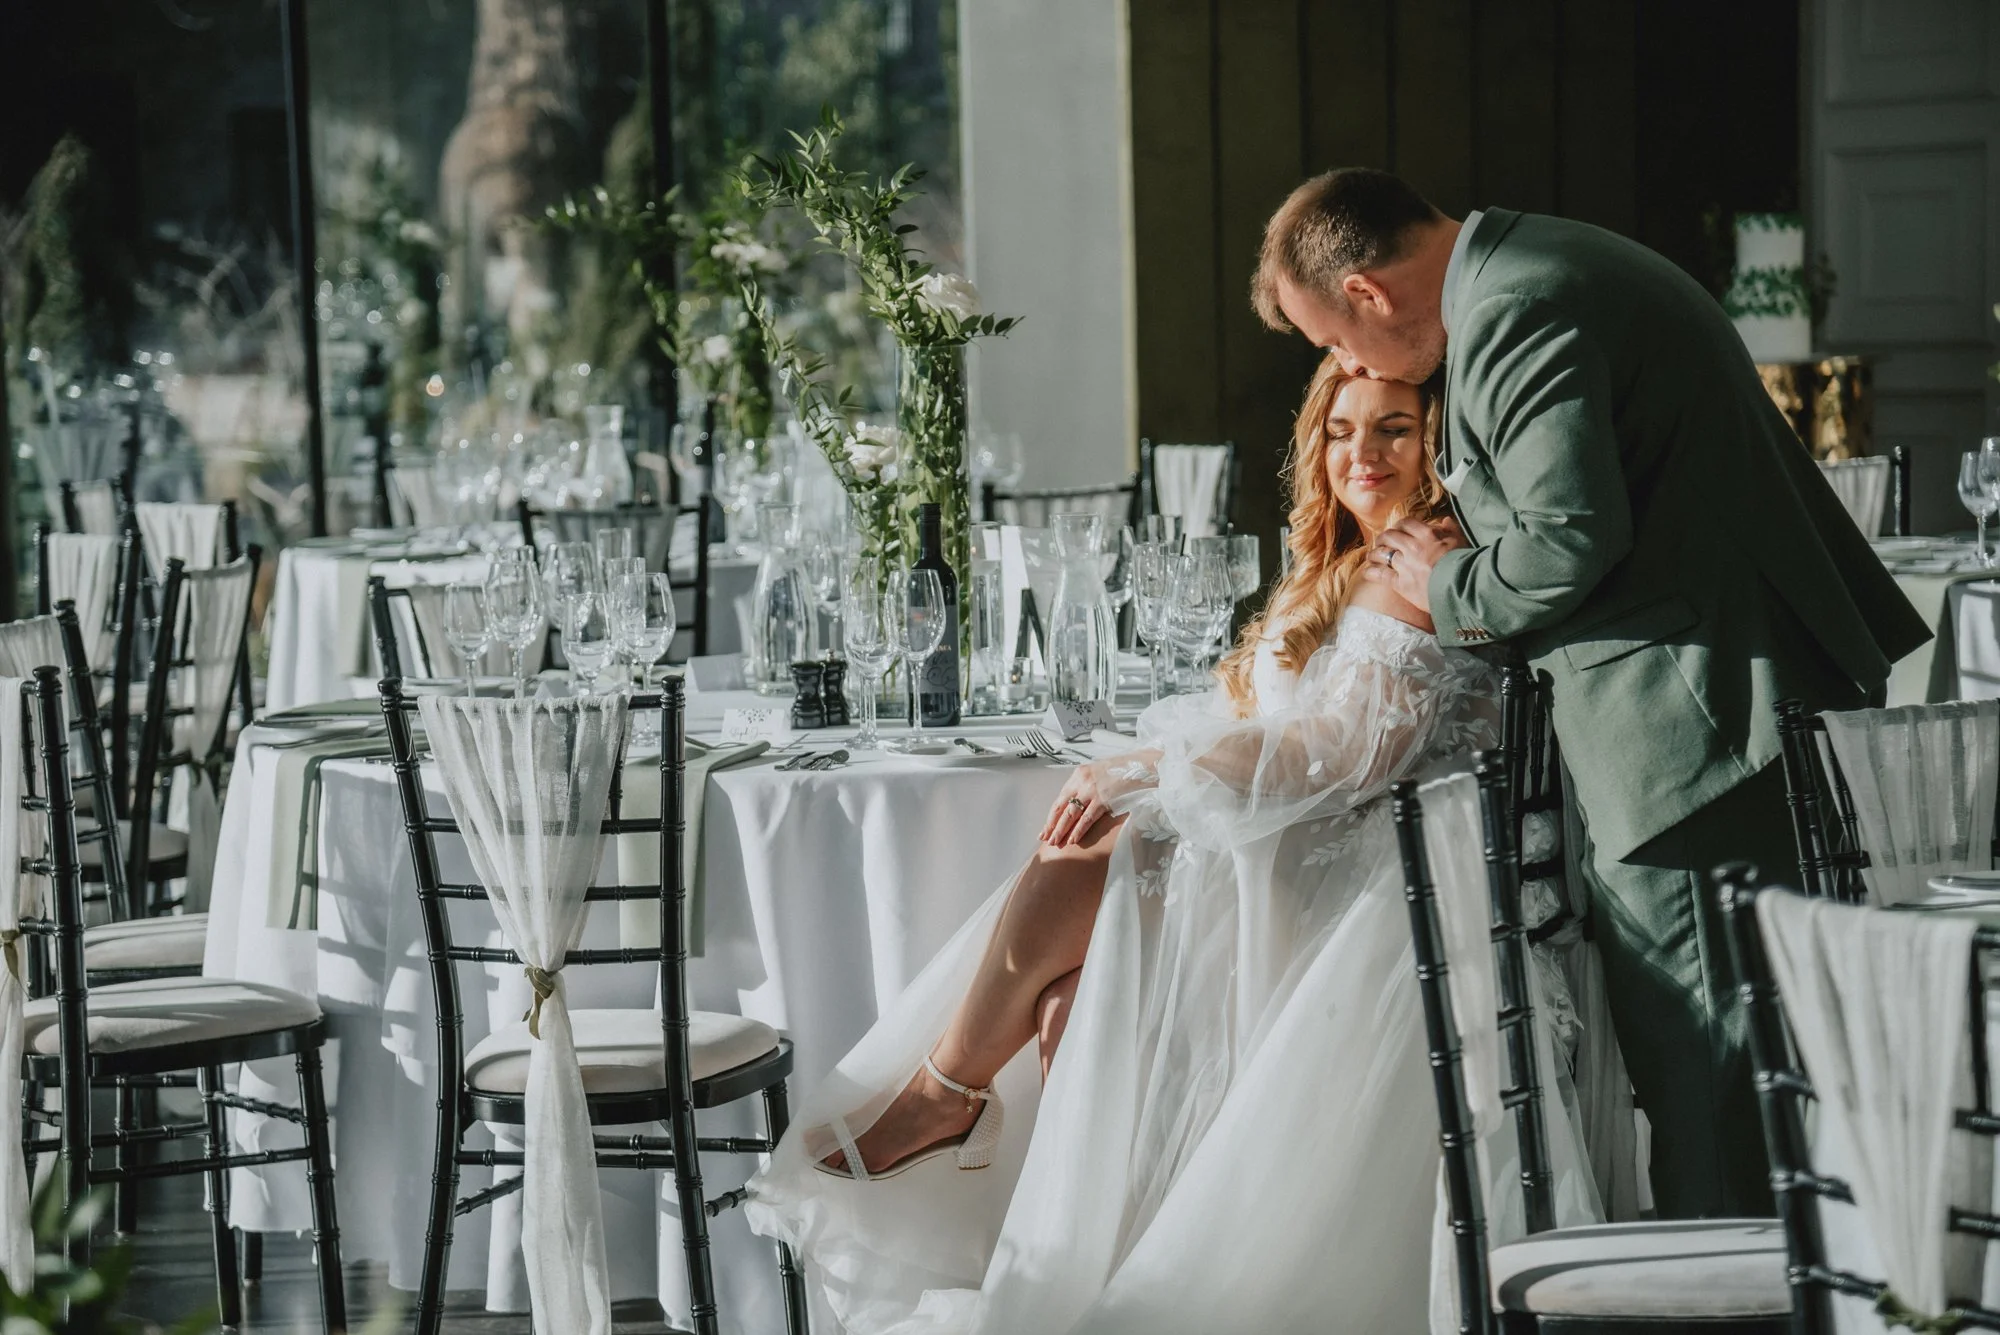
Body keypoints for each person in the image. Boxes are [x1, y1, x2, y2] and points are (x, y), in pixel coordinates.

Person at [746, 361, 1601, 1334]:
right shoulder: (1357, 559)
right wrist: (1157, 761)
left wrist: (1146, 768)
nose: (1360, 453)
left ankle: (943, 1095)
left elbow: (1347, 749)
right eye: (1340, 430)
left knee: (1104, 847)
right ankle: (1089, 1251)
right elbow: (1299, 729)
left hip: (1381, 891)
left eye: (1393, 430)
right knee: (1076, 969)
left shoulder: (1420, 555)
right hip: (1336, 849)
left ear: (1439, 447)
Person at [1252, 168, 1931, 1218]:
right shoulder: (1538, 259)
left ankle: (1731, 1305)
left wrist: (1435, 582)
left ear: (1368, 295)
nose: (1344, 367)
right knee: (1744, 1058)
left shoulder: (1515, 307)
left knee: (1705, 1067)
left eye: (1334, 341)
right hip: (1723, 695)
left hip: (1695, 723)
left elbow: (1565, 539)